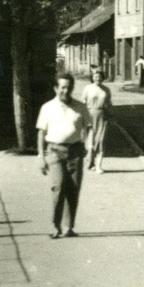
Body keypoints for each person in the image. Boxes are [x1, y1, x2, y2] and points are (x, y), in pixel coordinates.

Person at [36, 74, 90, 238]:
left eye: (69, 87)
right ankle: (55, 225)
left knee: (73, 189)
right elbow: (41, 133)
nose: (66, 91)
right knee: (58, 187)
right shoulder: (47, 107)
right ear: (56, 88)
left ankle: (68, 227)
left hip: (75, 151)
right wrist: (40, 157)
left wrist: (89, 145)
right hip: (54, 151)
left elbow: (88, 127)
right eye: (63, 87)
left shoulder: (80, 107)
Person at [81, 65, 113, 172]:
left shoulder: (106, 89)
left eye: (99, 77)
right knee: (90, 141)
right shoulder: (87, 88)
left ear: (102, 78)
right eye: (95, 77)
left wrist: (109, 114)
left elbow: (109, 103)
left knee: (101, 140)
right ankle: (91, 162)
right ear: (92, 78)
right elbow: (83, 103)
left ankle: (98, 165)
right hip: (89, 115)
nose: (97, 79)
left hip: (102, 116)